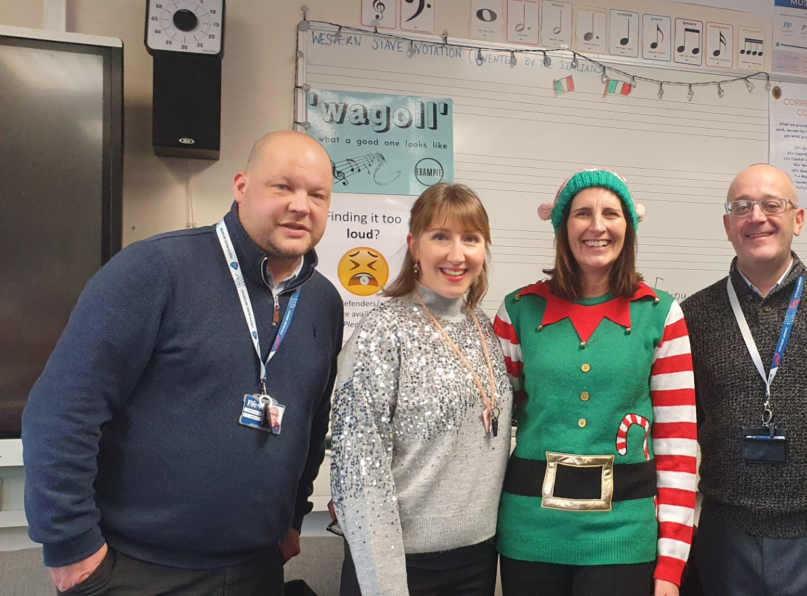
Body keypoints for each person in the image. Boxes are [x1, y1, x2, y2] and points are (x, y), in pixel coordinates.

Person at [21, 130, 345, 594]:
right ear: (241, 186)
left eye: (317, 194)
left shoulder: (322, 303)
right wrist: (72, 549)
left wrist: (292, 517)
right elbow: (60, 413)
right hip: (139, 570)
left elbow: (313, 424)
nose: (301, 205)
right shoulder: (154, 270)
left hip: (257, 568)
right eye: (283, 187)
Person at [492, 168, 698, 596]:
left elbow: (677, 444)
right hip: (530, 534)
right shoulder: (518, 311)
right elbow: (488, 434)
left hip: (624, 538)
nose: (597, 226)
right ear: (562, 226)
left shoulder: (661, 314)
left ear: (629, 226)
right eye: (582, 213)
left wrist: (670, 569)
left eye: (611, 213)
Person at [682, 163, 807, 596]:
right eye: (742, 207)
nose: (757, 217)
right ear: (728, 225)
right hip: (727, 532)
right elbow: (692, 416)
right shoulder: (695, 314)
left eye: (772, 204)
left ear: (798, 220)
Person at [331, 183, 512, 596]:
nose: (456, 254)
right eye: (440, 237)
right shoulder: (381, 331)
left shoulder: (483, 327)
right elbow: (358, 472)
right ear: (414, 246)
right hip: (401, 566)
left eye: (470, 238)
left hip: (478, 558)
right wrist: (385, 585)